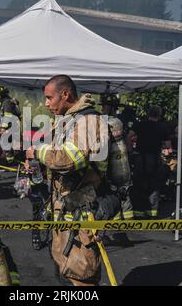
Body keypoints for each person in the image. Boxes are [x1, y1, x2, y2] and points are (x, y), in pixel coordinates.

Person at [26, 75, 116, 286]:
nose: (46, 104)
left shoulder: (89, 121)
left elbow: (67, 158)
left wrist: (38, 152)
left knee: (81, 274)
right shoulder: (68, 120)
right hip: (66, 209)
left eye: (49, 98)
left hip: (83, 211)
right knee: (66, 269)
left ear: (65, 94)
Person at [129, 106, 172, 219]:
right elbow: (168, 146)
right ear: (159, 114)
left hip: (140, 158)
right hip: (154, 158)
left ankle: (139, 212)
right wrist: (158, 143)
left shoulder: (140, 124)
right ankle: (152, 213)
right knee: (153, 186)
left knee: (139, 185)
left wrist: (131, 149)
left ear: (148, 114)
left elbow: (129, 136)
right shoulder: (163, 127)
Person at [99, 93, 133, 220]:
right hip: (122, 162)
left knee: (117, 193)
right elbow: (128, 141)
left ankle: (120, 222)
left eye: (104, 106)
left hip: (114, 164)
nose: (102, 109)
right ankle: (127, 222)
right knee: (124, 193)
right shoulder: (121, 120)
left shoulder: (109, 122)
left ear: (111, 107)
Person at [0, 85, 21, 163]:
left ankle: (9, 162)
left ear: (2, 94)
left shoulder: (6, 102)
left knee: (5, 142)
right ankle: (10, 159)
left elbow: (8, 116)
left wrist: (3, 128)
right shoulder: (5, 101)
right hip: (10, 126)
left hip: (10, 127)